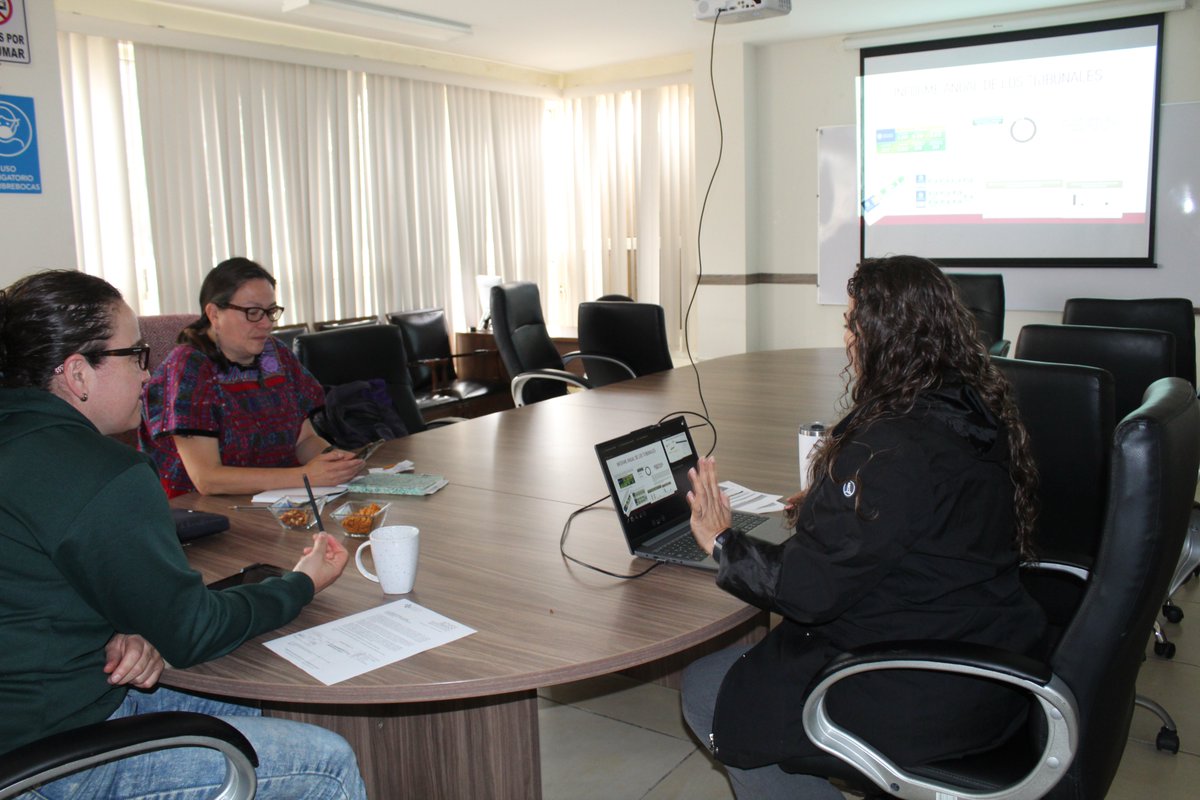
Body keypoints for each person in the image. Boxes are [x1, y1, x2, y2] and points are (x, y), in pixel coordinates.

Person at [680, 255, 1047, 799]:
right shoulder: (970, 409)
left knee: (709, 691)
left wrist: (722, 541)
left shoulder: (891, 449)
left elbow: (809, 591)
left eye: (853, 323)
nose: (847, 336)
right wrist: (834, 502)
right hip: (988, 652)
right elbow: (923, 516)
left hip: (925, 685)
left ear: (883, 338)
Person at [0, 269, 367, 799]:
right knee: (326, 761)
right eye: (136, 355)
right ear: (78, 374)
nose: (149, 374)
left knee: (246, 702)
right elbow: (194, 631)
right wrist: (301, 583)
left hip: (39, 707)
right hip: (46, 758)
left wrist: (131, 626)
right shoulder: (102, 473)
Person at [139, 257, 363, 497]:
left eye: (270, 311)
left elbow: (304, 440)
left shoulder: (275, 355)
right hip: (201, 509)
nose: (266, 324)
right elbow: (207, 479)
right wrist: (306, 476)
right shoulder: (188, 368)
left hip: (279, 498)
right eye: (253, 312)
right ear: (214, 314)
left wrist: (335, 462)